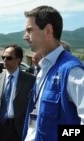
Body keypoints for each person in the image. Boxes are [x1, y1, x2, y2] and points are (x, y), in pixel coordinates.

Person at [23, 5, 84, 141]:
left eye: (30, 30)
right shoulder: (43, 69)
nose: (25, 36)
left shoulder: (72, 71)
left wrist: (60, 135)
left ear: (48, 30)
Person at [0, 44, 35, 141]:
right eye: (3, 57)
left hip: (18, 128)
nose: (5, 60)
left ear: (18, 60)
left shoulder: (30, 80)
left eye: (9, 58)